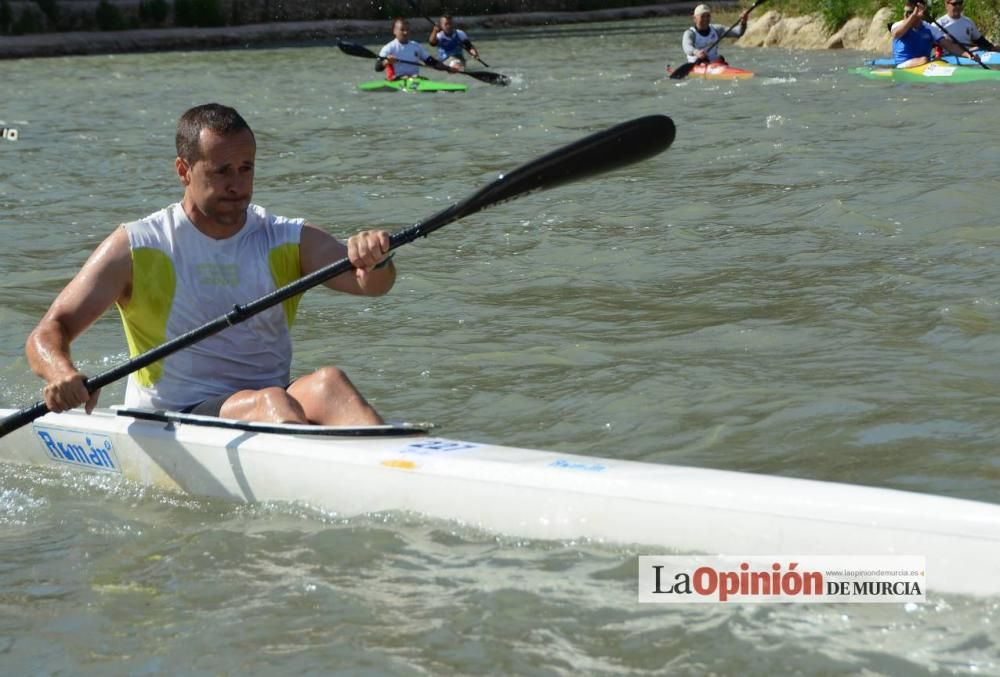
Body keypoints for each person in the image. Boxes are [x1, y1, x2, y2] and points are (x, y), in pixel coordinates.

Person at [25, 103, 396, 426]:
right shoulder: (138, 245)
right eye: (221, 171)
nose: (238, 184)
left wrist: (375, 258)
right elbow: (49, 331)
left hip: (267, 401)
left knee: (330, 383)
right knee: (271, 400)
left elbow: (372, 284)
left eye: (246, 168)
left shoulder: (285, 237)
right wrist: (63, 373)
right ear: (184, 170)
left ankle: (396, 464)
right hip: (173, 414)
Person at [891, 0, 971, 68]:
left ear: (921, 12)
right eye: (907, 12)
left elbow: (950, 46)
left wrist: (968, 55)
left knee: (941, 61)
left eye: (910, 12)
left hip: (925, 64)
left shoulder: (929, 28)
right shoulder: (898, 25)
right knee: (924, 59)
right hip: (903, 65)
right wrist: (913, 16)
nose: (907, 15)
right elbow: (896, 35)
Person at [376, 17, 443, 80]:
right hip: (395, 80)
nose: (405, 32)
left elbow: (431, 62)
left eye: (407, 29)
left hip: (414, 79)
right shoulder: (389, 48)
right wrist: (386, 61)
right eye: (402, 30)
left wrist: (448, 68)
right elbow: (377, 67)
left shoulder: (416, 46)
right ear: (394, 31)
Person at [682, 4, 751, 64]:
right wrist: (696, 52)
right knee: (704, 62)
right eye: (702, 16)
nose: (705, 19)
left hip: (715, 64)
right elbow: (687, 47)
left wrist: (743, 22)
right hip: (697, 64)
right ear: (695, 18)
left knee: (721, 58)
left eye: (708, 16)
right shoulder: (690, 33)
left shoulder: (716, 29)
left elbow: (738, 32)